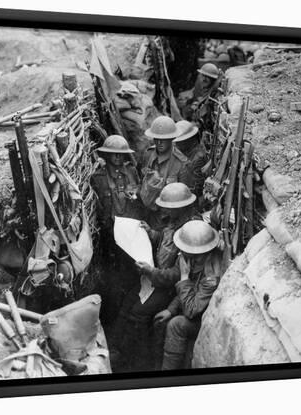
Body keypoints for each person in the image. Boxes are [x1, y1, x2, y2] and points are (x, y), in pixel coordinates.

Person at [109, 183, 200, 372]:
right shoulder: (174, 221)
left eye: (166, 206)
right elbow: (165, 241)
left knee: (139, 313)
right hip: (156, 278)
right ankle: (117, 350)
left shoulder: (191, 230)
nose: (162, 209)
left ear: (179, 207)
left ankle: (139, 361)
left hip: (169, 288)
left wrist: (150, 272)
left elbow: (178, 274)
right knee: (128, 301)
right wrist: (152, 233)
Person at [141, 220, 222, 370]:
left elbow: (192, 311)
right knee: (160, 321)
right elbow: (190, 289)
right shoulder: (195, 259)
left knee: (176, 325)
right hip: (190, 303)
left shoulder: (211, 276)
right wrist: (170, 310)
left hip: (202, 317)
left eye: (191, 255)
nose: (185, 258)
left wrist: (184, 278)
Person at [91, 135, 144, 326]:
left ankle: (131, 316)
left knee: (133, 273)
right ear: (107, 155)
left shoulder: (131, 172)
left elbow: (140, 199)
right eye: (114, 154)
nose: (117, 158)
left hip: (131, 232)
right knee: (113, 278)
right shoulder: (99, 178)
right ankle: (112, 317)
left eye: (121, 155)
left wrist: (135, 198)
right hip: (111, 236)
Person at [139, 115, 193, 230]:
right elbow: (141, 179)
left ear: (172, 138)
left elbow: (186, 202)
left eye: (164, 139)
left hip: (167, 222)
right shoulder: (148, 155)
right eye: (156, 138)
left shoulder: (181, 164)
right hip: (147, 215)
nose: (159, 142)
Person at [173, 120, 209, 200]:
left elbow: (197, 187)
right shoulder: (192, 154)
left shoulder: (197, 158)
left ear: (187, 140)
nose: (177, 145)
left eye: (179, 142)